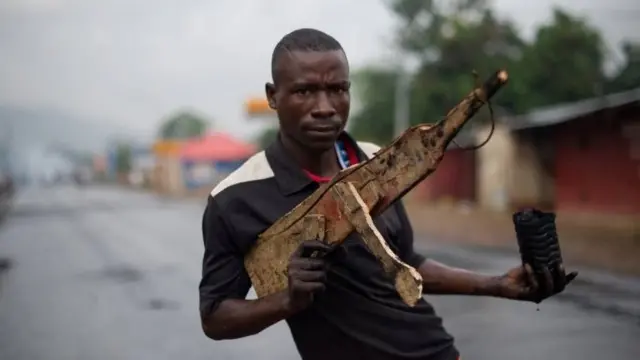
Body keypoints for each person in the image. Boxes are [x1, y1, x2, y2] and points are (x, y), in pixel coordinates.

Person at [199, 28, 576, 360]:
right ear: (272, 96)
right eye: (304, 91)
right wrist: (287, 300)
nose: (325, 108)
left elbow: (406, 260)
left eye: (337, 89)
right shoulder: (236, 197)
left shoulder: (377, 160)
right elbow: (215, 317)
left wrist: (497, 285)